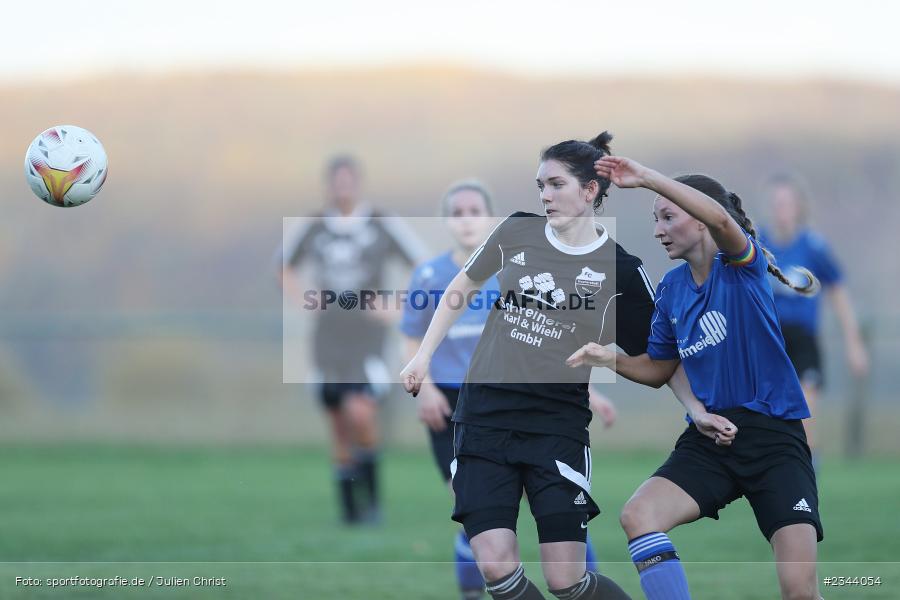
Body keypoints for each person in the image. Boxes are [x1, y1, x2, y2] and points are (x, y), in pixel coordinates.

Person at [402, 132, 688, 600]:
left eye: (556, 185)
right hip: (483, 419)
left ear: (590, 190)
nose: (544, 195)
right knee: (495, 564)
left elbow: (659, 357)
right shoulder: (518, 230)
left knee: (566, 581)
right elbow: (463, 284)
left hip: (555, 426)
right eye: (541, 185)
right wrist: (422, 355)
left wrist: (694, 409)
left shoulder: (621, 268)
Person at [568, 155, 824, 600]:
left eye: (668, 216)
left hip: (775, 440)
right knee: (638, 515)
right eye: (655, 219)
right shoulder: (671, 289)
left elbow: (724, 219)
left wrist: (647, 178)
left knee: (798, 591)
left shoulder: (740, 267)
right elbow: (659, 369)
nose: (657, 230)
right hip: (711, 439)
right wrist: (609, 359)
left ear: (702, 220)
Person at [400, 180, 618, 599]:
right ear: (446, 221)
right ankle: (475, 591)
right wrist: (425, 388)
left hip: (522, 402)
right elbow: (412, 336)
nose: (466, 220)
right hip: (453, 404)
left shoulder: (519, 266)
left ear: (490, 217)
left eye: (475, 211)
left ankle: (576, 582)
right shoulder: (430, 275)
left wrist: (590, 393)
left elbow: (549, 342)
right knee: (476, 512)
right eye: (457, 212)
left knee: (544, 511)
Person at [279, 155, 425, 525]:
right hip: (328, 335)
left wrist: (395, 305)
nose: (342, 187)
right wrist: (304, 301)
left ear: (358, 184)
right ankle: (350, 511)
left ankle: (372, 502)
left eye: (348, 181)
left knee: (361, 411)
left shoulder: (381, 222)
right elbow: (282, 267)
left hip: (368, 335)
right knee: (339, 424)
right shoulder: (314, 226)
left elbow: (423, 266)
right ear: (328, 185)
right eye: (336, 181)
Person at [759, 173, 869, 458]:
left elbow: (838, 292)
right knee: (766, 420)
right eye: (776, 203)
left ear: (798, 206)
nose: (781, 209)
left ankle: (808, 479)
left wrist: (853, 343)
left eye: (786, 203)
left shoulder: (812, 246)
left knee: (805, 416)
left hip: (803, 340)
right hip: (769, 339)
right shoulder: (758, 244)